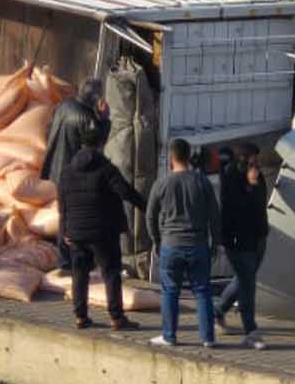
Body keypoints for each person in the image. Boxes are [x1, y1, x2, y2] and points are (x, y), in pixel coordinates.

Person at [58, 122, 145, 331]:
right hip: (102, 232)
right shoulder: (106, 169)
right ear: (101, 144)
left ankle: (80, 317)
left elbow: (62, 203)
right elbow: (126, 193)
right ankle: (117, 318)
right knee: (111, 273)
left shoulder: (67, 171)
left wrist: (64, 231)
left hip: (76, 232)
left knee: (80, 275)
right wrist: (148, 205)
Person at [145, 138, 221, 348]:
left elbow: (150, 216)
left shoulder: (162, 183)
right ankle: (208, 338)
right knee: (202, 290)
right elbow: (215, 214)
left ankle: (169, 336)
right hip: (198, 244)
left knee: (170, 291)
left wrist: (156, 240)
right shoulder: (201, 182)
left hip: (171, 244)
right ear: (189, 156)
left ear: (171, 158)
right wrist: (215, 242)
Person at [215, 143, 269, 348]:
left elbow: (260, 202)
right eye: (252, 158)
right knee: (248, 286)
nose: (256, 162)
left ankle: (217, 312)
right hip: (239, 240)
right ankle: (251, 331)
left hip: (258, 237)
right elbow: (238, 208)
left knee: (243, 279)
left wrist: (255, 184)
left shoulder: (256, 175)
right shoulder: (231, 176)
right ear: (243, 158)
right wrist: (252, 185)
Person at [41, 76, 110, 186]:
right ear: (95, 98)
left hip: (51, 168)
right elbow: (95, 144)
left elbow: (48, 131)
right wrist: (104, 119)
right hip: (68, 175)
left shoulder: (63, 104)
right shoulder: (87, 117)